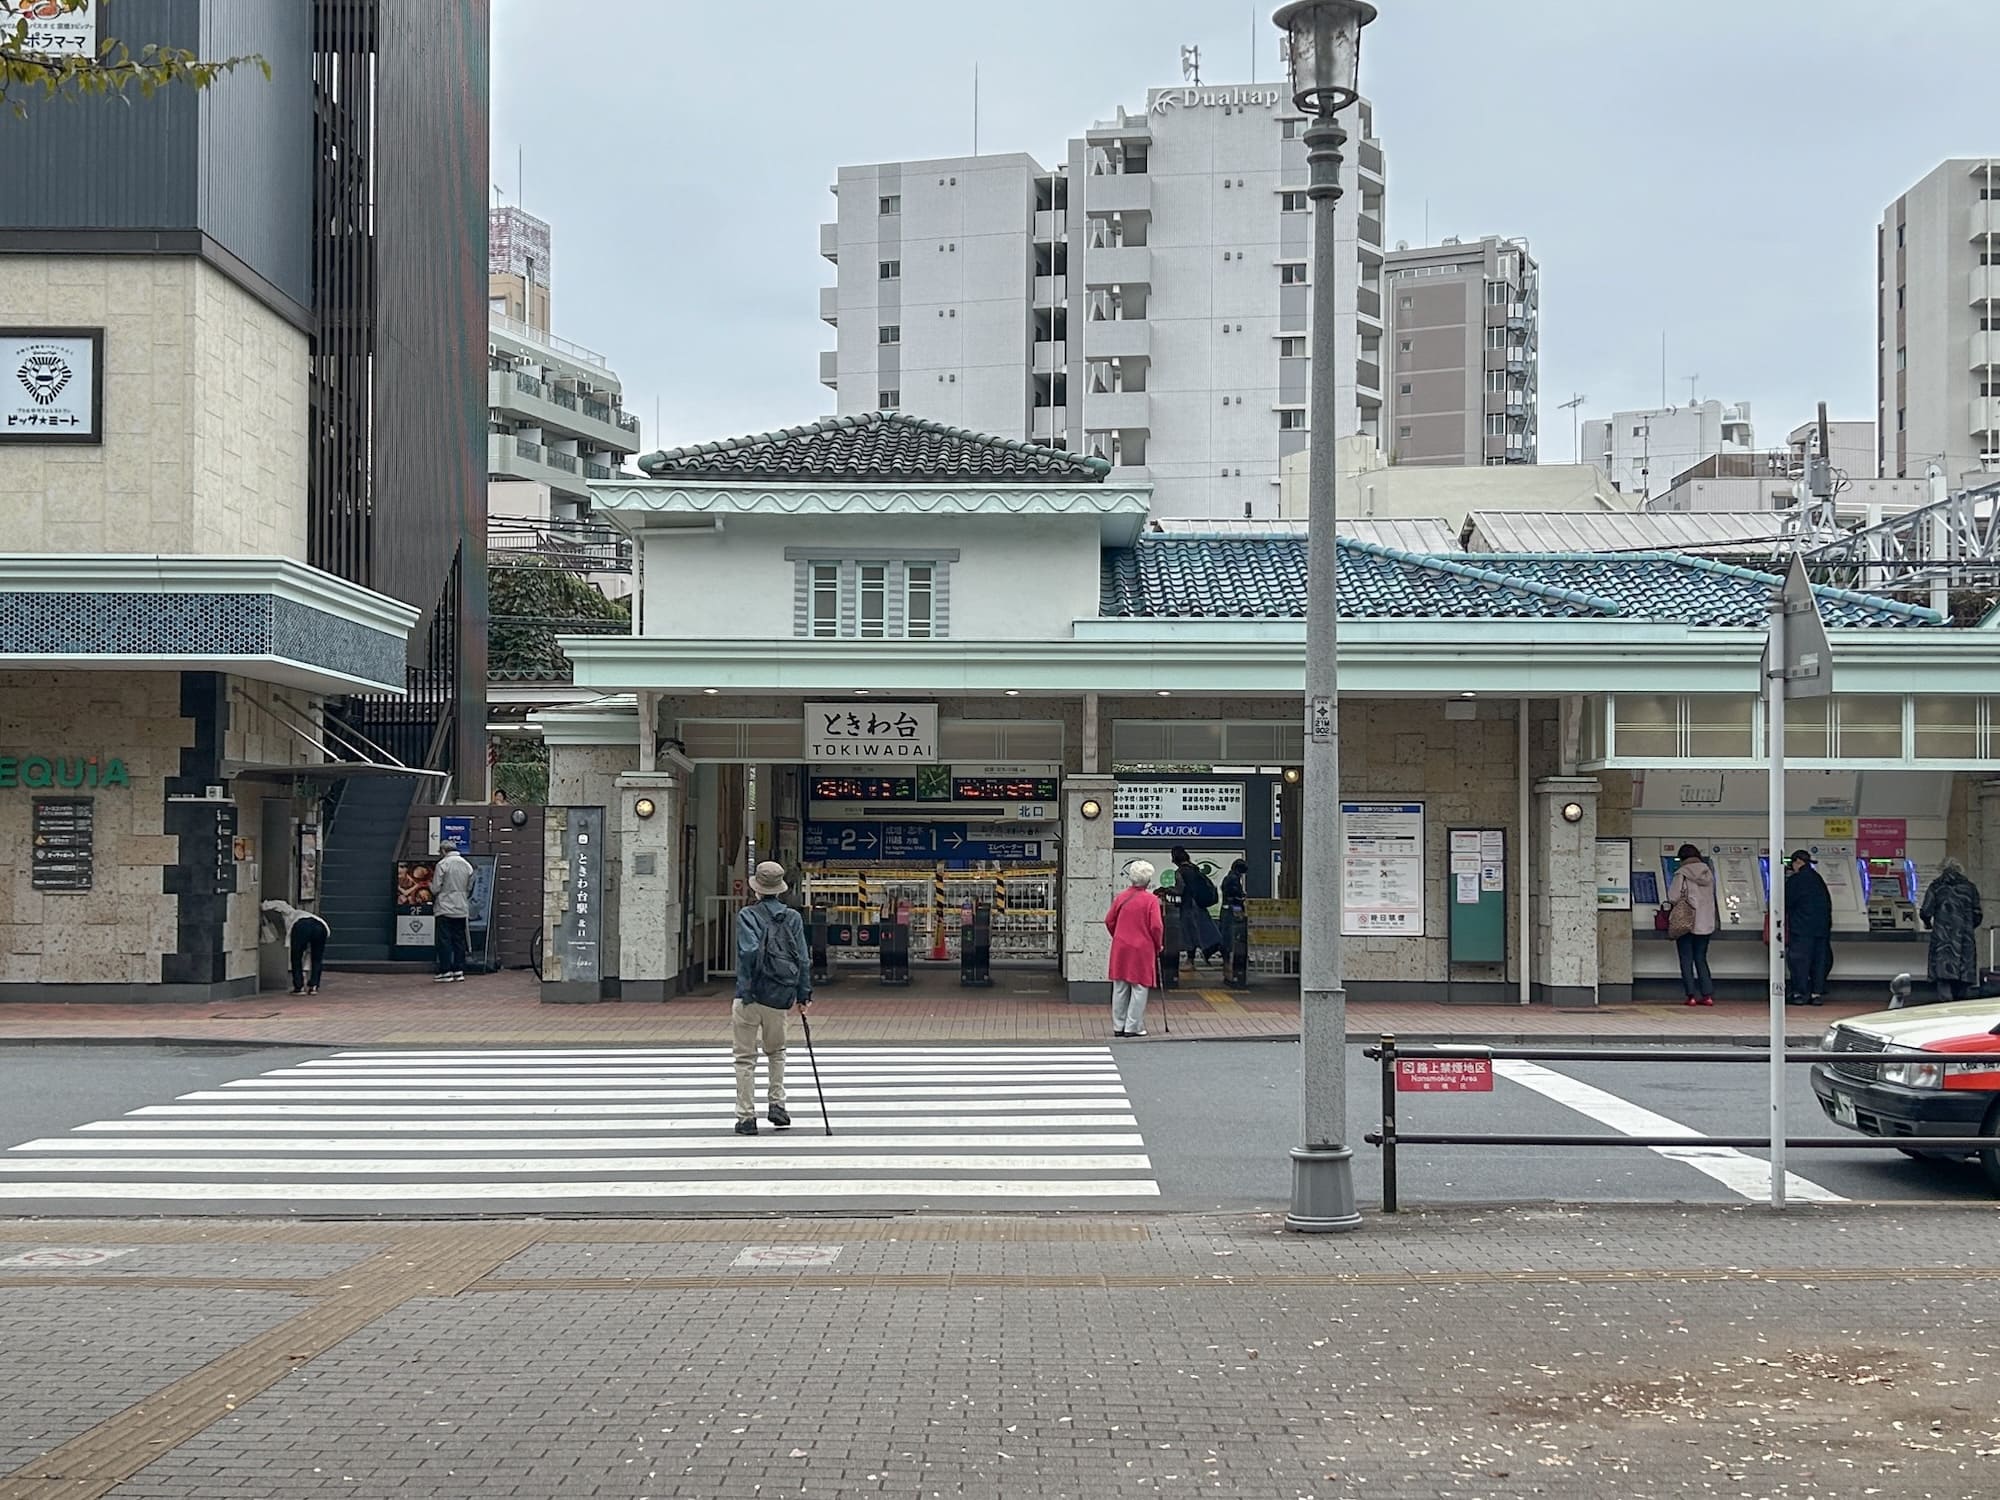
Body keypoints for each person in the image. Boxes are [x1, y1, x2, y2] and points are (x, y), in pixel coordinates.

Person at [733, 860, 812, 1135]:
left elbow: (747, 953)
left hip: (750, 996)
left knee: (745, 1058)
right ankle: (777, 1105)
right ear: (780, 889)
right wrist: (803, 994)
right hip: (779, 996)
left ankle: (746, 1117)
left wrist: (746, 986)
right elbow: (802, 958)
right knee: (776, 1052)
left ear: (757, 889)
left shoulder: (747, 915)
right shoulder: (793, 918)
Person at [1105, 861, 1165, 1038]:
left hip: (1121, 946)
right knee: (1139, 987)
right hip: (1142, 948)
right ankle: (1133, 1026)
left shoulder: (1121, 897)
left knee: (1120, 986)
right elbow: (1156, 927)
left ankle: (1118, 1025)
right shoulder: (1151, 900)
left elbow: (1109, 920)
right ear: (1147, 880)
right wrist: (1158, 944)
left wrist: (1118, 935)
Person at [1921, 857, 1984, 1004]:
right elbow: (1978, 914)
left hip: (1942, 940)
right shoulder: (1969, 887)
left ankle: (1945, 1006)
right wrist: (1967, 927)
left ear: (1942, 870)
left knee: (1943, 978)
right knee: (1963, 978)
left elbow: (1925, 911)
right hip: (1964, 939)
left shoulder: (1936, 886)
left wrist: (1928, 924)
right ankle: (1959, 1007)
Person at [1665, 843, 1718, 1007]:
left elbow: (1673, 896)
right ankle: (1707, 995)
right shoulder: (1708, 873)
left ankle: (1691, 996)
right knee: (1701, 959)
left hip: (1686, 922)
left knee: (1686, 959)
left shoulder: (1681, 873)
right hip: (1705, 922)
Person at [1782, 849, 1833, 1007]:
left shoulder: (1796, 880)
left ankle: (1800, 994)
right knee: (1819, 961)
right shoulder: (1818, 879)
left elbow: (1786, 902)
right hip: (1821, 928)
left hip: (1802, 928)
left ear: (1798, 862)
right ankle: (1816, 994)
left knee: (1800, 962)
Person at [260, 899, 330, 996]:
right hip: (321, 927)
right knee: (317, 958)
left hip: (302, 926)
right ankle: (314, 986)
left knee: (296, 957)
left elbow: (279, 904)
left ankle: (299, 987)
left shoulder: (291, 912)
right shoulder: (309, 915)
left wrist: (263, 905)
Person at [1169, 846, 1223, 967]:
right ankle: (1224, 956)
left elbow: (1179, 890)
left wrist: (1166, 890)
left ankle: (1190, 961)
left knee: (1189, 934)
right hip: (1200, 905)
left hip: (1188, 907)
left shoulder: (1180, 872)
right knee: (1207, 932)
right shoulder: (1195, 869)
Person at [431, 839, 475, 983]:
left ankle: (445, 971)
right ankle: (459, 970)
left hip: (444, 907)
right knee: (459, 940)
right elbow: (469, 887)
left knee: (444, 940)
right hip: (461, 907)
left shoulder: (442, 864)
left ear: (443, 851)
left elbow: (436, 888)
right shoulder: (467, 865)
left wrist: (432, 889)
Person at [1219, 858, 1251, 981]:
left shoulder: (1229, 877)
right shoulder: (1233, 879)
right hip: (1231, 911)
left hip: (1226, 909)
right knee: (1230, 938)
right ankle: (1230, 967)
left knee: (1226, 938)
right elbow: (1233, 895)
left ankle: (1227, 965)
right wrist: (1241, 898)